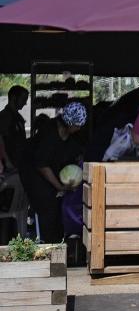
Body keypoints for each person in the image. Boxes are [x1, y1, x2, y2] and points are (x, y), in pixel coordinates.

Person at [21, 102, 88, 243]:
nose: (80, 128)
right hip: (34, 174)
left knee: (57, 208)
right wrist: (60, 187)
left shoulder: (69, 136)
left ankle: (58, 242)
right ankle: (50, 246)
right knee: (48, 209)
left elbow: (74, 152)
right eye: (78, 125)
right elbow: (42, 165)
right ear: (70, 123)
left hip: (49, 172)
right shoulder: (49, 134)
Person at [0, 85, 29, 173]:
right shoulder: (4, 116)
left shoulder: (18, 117)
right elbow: (0, 139)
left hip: (17, 163)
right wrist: (7, 162)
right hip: (8, 166)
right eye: (23, 99)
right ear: (13, 97)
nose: (25, 103)